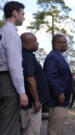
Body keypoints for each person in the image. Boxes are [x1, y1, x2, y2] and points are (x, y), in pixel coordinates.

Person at [0, 1, 28, 135]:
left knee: (4, 120)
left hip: (3, 80)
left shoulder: (2, 32)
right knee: (9, 125)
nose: (24, 17)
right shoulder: (11, 34)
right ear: (15, 13)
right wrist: (22, 92)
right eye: (23, 14)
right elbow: (14, 65)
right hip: (8, 81)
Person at [20, 33, 50, 135]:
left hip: (31, 102)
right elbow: (30, 79)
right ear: (27, 43)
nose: (37, 43)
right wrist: (37, 101)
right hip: (32, 103)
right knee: (32, 131)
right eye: (35, 41)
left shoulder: (27, 55)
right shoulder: (27, 57)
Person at [44, 34, 72, 135]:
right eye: (64, 42)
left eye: (66, 42)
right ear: (56, 43)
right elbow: (50, 77)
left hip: (61, 99)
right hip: (57, 99)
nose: (66, 44)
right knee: (55, 129)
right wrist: (59, 92)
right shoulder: (53, 57)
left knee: (58, 128)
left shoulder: (58, 56)